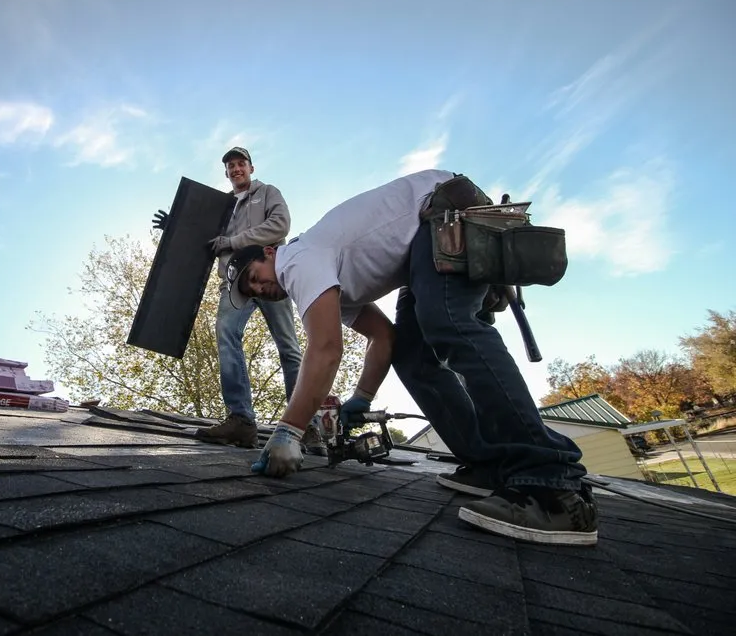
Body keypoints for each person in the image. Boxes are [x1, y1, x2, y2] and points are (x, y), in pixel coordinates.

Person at [224, 169, 598, 546]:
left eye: (254, 276)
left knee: (447, 320)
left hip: (441, 211)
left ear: (270, 252)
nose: (260, 289)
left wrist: (289, 429)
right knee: (413, 354)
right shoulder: (330, 281)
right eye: (251, 292)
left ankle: (551, 485)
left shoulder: (297, 259)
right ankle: (489, 464)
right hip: (421, 244)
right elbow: (384, 338)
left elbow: (326, 349)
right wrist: (363, 399)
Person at [152, 146, 325, 454]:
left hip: (270, 278)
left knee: (289, 347)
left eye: (240, 163)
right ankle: (242, 420)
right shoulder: (221, 206)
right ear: (227, 173)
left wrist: (233, 241)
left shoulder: (268, 192)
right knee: (226, 335)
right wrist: (174, 226)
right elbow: (203, 237)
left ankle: (306, 425)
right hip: (235, 284)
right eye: (230, 166)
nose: (236, 169)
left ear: (251, 167)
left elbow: (280, 225)